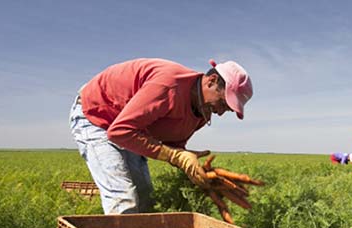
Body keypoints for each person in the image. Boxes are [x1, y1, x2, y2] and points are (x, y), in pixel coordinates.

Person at [70, 58, 253, 214]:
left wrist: (195, 168)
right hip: (97, 115)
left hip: (132, 129)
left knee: (146, 198)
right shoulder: (168, 85)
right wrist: (175, 155)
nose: (220, 113)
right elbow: (120, 131)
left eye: (226, 110)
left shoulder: (201, 113)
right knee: (123, 199)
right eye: (222, 103)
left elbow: (171, 145)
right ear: (211, 81)